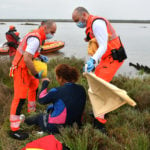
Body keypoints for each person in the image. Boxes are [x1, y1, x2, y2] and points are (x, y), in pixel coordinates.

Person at [72, 7, 127, 130]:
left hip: (113, 57)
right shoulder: (90, 25)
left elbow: (103, 45)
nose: (77, 24)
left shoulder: (97, 23)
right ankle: (101, 110)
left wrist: (92, 61)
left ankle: (100, 124)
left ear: (84, 15)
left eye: (77, 20)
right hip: (106, 57)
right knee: (96, 82)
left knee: (99, 87)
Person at [9, 20, 57, 140]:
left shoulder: (37, 35)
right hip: (21, 70)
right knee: (19, 98)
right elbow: (26, 58)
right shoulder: (35, 38)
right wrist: (36, 74)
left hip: (27, 70)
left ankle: (31, 110)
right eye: (52, 32)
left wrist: (39, 56)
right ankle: (14, 130)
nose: (53, 35)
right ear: (45, 28)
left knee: (34, 87)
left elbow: (30, 52)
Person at [25, 64, 86, 134]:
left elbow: (41, 100)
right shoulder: (81, 89)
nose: (56, 79)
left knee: (40, 117)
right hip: (76, 126)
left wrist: (45, 84)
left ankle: (23, 121)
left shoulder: (57, 91)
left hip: (57, 128)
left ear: (61, 78)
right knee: (51, 107)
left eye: (57, 76)